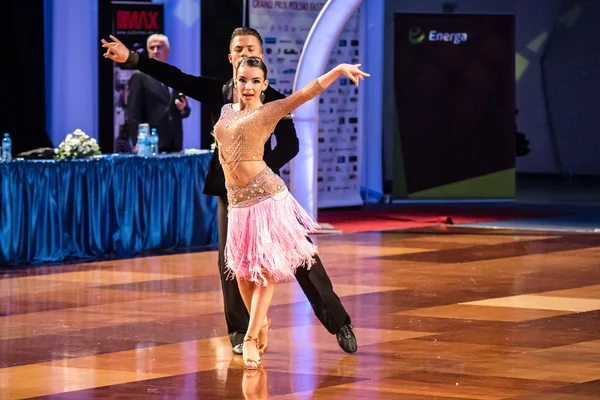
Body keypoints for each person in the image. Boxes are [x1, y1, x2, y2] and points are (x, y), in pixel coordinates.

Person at [101, 28, 358, 356]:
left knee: (302, 258)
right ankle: (241, 331)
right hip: (230, 194)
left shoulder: (274, 99)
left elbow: (291, 144)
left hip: (267, 193)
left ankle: (339, 322)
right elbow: (173, 75)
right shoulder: (215, 92)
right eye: (238, 48)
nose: (243, 52)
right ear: (231, 58)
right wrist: (133, 59)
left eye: (250, 48)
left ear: (260, 58)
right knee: (235, 262)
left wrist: (261, 168)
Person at [126, 34, 190, 153]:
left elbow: (186, 111)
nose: (155, 51)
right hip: (151, 144)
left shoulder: (175, 75)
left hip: (175, 143)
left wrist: (183, 108)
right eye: (151, 48)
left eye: (159, 47)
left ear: (168, 50)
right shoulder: (139, 76)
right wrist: (137, 141)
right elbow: (133, 113)